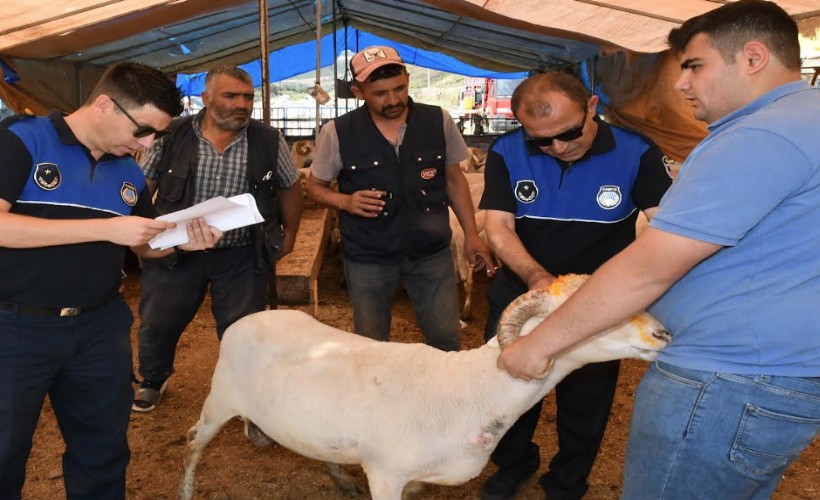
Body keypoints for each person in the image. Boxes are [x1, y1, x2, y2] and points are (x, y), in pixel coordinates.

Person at [498, 1, 820, 498]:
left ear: (753, 58)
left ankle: (567, 480)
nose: (680, 83)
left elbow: (649, 268)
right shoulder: (805, 119)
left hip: (726, 378)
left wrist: (538, 344)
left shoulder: (762, 135)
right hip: (770, 371)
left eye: (694, 65)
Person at [0, 62, 222, 498]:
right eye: (143, 130)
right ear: (105, 104)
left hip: (98, 327)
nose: (146, 144)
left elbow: (141, 244)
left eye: (156, 135)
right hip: (15, 328)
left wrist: (180, 242)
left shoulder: (128, 171)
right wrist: (104, 228)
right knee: (4, 452)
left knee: (103, 450)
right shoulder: (20, 141)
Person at [478, 71, 672, 499]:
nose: (558, 148)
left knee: (586, 400)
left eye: (568, 134)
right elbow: (498, 226)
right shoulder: (507, 151)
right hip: (523, 297)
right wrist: (536, 278)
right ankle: (513, 464)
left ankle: (567, 481)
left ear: (592, 106)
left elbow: (668, 227)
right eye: (541, 141)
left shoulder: (636, 153)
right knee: (510, 388)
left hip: (597, 301)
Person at [132, 65, 303, 412]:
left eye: (248, 97)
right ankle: (153, 378)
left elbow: (290, 186)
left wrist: (290, 235)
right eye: (231, 96)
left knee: (243, 329)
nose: (242, 104)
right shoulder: (171, 135)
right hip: (176, 249)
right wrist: (140, 235)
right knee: (159, 319)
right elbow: (141, 188)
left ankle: (245, 392)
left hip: (241, 251)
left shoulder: (267, 140)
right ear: (206, 98)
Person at [305, 46, 494, 351]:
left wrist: (471, 234)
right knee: (370, 342)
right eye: (379, 92)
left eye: (399, 88)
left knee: (445, 338)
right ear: (358, 91)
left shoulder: (438, 121)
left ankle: (440, 398)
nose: (392, 100)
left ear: (407, 79)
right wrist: (345, 202)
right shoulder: (337, 132)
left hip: (430, 253)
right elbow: (314, 186)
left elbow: (454, 179)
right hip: (368, 255)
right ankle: (378, 397)